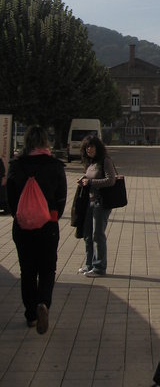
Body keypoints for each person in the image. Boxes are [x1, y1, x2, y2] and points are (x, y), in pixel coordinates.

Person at [6, 125, 67, 334]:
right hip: (48, 225)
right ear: (45, 142)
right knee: (48, 269)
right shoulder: (55, 166)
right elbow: (61, 197)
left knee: (28, 271)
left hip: (23, 227)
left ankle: (31, 315)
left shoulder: (16, 165)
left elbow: (10, 197)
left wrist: (20, 215)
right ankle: (43, 303)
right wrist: (53, 215)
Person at [78, 135, 116, 277]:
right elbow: (89, 177)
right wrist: (84, 180)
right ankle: (89, 264)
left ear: (97, 147)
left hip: (101, 202)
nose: (89, 149)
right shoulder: (90, 162)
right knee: (87, 234)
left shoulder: (105, 161)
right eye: (87, 147)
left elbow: (111, 180)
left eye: (92, 146)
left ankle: (99, 267)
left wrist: (91, 183)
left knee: (97, 234)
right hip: (89, 201)